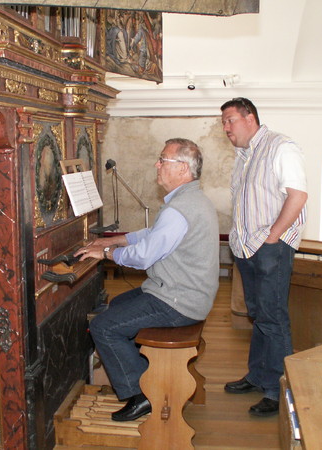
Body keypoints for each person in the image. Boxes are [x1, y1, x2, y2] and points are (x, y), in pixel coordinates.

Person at [75, 138, 220, 422]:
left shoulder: (180, 208)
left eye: (162, 159)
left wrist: (105, 252)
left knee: (104, 327)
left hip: (179, 301)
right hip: (180, 292)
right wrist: (111, 240)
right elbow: (150, 235)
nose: (157, 164)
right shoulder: (189, 200)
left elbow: (142, 257)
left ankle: (143, 394)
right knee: (117, 304)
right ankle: (144, 371)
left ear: (182, 168)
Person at [220, 97, 308, 417]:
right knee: (259, 316)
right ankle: (258, 376)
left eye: (230, 120)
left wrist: (273, 237)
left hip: (271, 247)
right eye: (224, 123)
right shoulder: (243, 155)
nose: (226, 128)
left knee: (273, 319)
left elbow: (297, 196)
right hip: (247, 248)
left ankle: (278, 390)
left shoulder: (280, 146)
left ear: (250, 118)